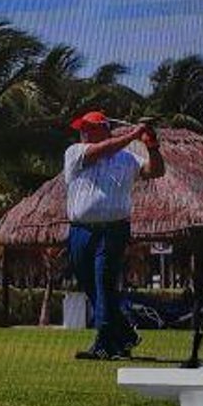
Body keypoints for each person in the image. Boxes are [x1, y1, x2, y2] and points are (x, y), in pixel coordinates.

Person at [63, 109, 164, 360]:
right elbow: (101, 150)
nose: (82, 131)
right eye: (81, 127)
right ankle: (125, 334)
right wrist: (134, 133)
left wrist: (151, 146)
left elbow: (155, 171)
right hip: (80, 230)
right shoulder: (75, 152)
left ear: (104, 129)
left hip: (113, 230)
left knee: (104, 284)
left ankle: (104, 343)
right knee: (91, 286)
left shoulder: (127, 158)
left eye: (88, 127)